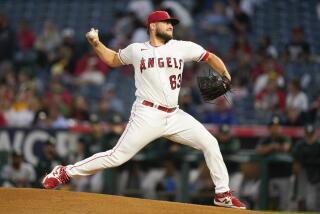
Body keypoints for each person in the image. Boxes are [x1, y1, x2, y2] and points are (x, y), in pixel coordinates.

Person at [42, 10, 246, 209]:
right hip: (147, 114)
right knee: (117, 157)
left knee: (210, 143)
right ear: (152, 26)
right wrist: (96, 43)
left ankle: (223, 194)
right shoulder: (137, 50)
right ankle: (64, 172)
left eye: (172, 24)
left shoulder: (181, 47)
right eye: (166, 23)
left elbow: (210, 57)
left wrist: (226, 75)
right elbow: (113, 59)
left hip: (175, 115)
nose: (170, 26)